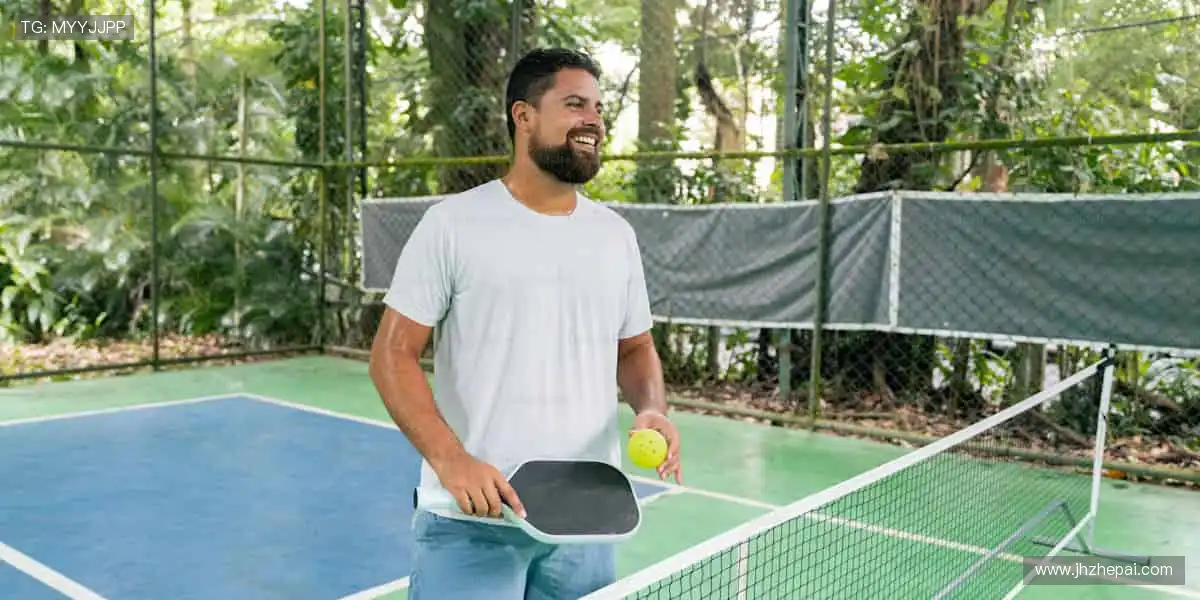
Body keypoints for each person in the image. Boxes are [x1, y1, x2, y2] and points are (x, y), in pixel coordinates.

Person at [368, 47, 683, 600]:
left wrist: (651, 408)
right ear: (524, 116)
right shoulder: (453, 225)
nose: (594, 120)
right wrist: (452, 460)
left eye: (599, 109)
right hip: (476, 520)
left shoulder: (615, 237)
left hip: (587, 517)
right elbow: (392, 354)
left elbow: (634, 349)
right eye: (574, 104)